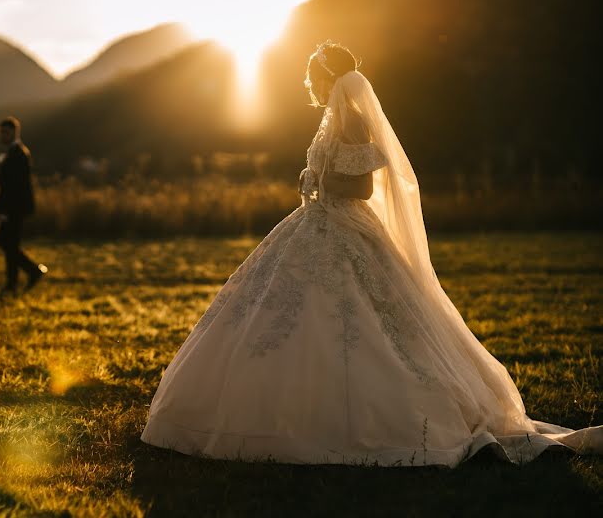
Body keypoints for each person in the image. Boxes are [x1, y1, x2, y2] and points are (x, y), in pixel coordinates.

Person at [140, 42, 601, 466]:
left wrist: (320, 184)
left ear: (326, 79)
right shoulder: (330, 120)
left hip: (343, 223)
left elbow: (362, 186)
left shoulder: (353, 121)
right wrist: (313, 182)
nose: (308, 87)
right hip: (316, 221)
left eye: (311, 79)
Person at [0, 116, 46, 295]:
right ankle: (14, 281)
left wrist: (5, 211)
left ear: (13, 133)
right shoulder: (12, 153)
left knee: (7, 242)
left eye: (4, 132)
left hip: (14, 208)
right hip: (13, 207)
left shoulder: (18, 154)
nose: (1, 136)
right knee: (9, 243)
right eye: (0, 132)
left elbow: (15, 186)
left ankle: (31, 272)